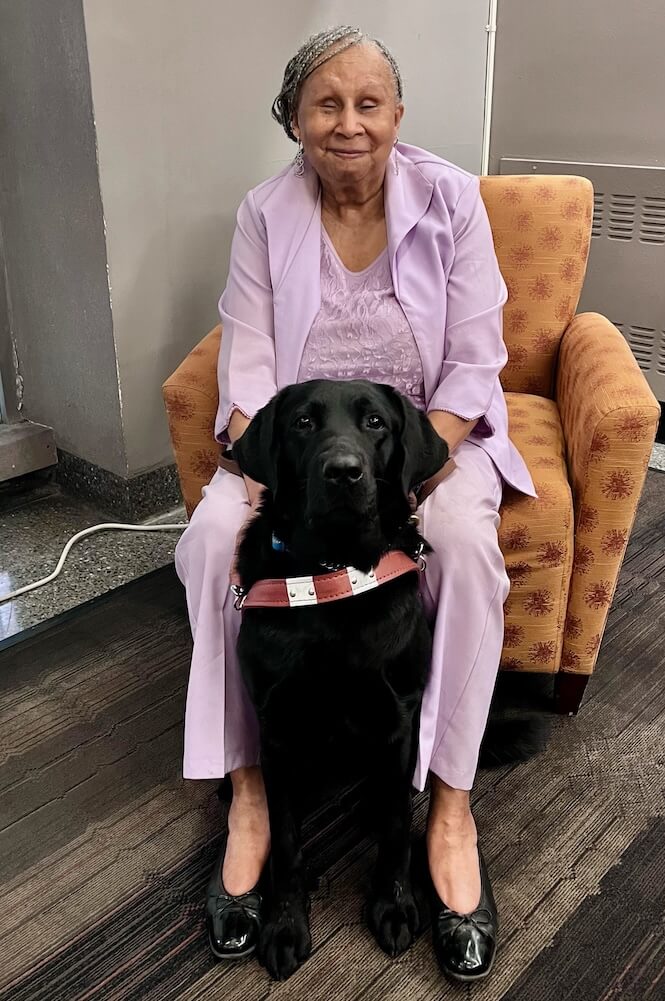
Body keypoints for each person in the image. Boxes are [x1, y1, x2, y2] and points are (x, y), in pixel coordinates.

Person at [175, 25, 534, 981]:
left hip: (426, 447)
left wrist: (410, 472)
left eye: (368, 103)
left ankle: (448, 810)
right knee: (210, 541)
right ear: (294, 119)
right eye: (326, 104)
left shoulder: (451, 199)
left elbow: (475, 362)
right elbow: (247, 369)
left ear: (397, 115)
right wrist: (273, 482)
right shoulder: (265, 213)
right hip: (298, 451)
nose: (349, 123)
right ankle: (249, 791)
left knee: (463, 548)